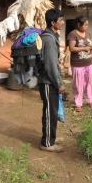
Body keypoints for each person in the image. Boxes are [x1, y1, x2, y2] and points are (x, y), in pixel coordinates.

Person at [38, 8, 65, 152]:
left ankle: (50, 137)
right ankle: (47, 143)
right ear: (53, 22)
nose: (62, 22)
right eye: (60, 20)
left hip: (49, 81)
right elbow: (50, 65)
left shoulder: (51, 36)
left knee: (52, 111)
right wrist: (59, 83)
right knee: (50, 112)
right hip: (48, 82)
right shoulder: (48, 40)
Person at [67, 16, 92, 112]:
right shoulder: (73, 34)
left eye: (88, 24)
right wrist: (84, 48)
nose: (87, 26)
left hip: (89, 62)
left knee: (90, 82)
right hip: (78, 63)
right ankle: (78, 103)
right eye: (85, 24)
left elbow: (90, 45)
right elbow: (71, 48)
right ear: (79, 24)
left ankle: (91, 100)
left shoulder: (88, 34)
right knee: (78, 84)